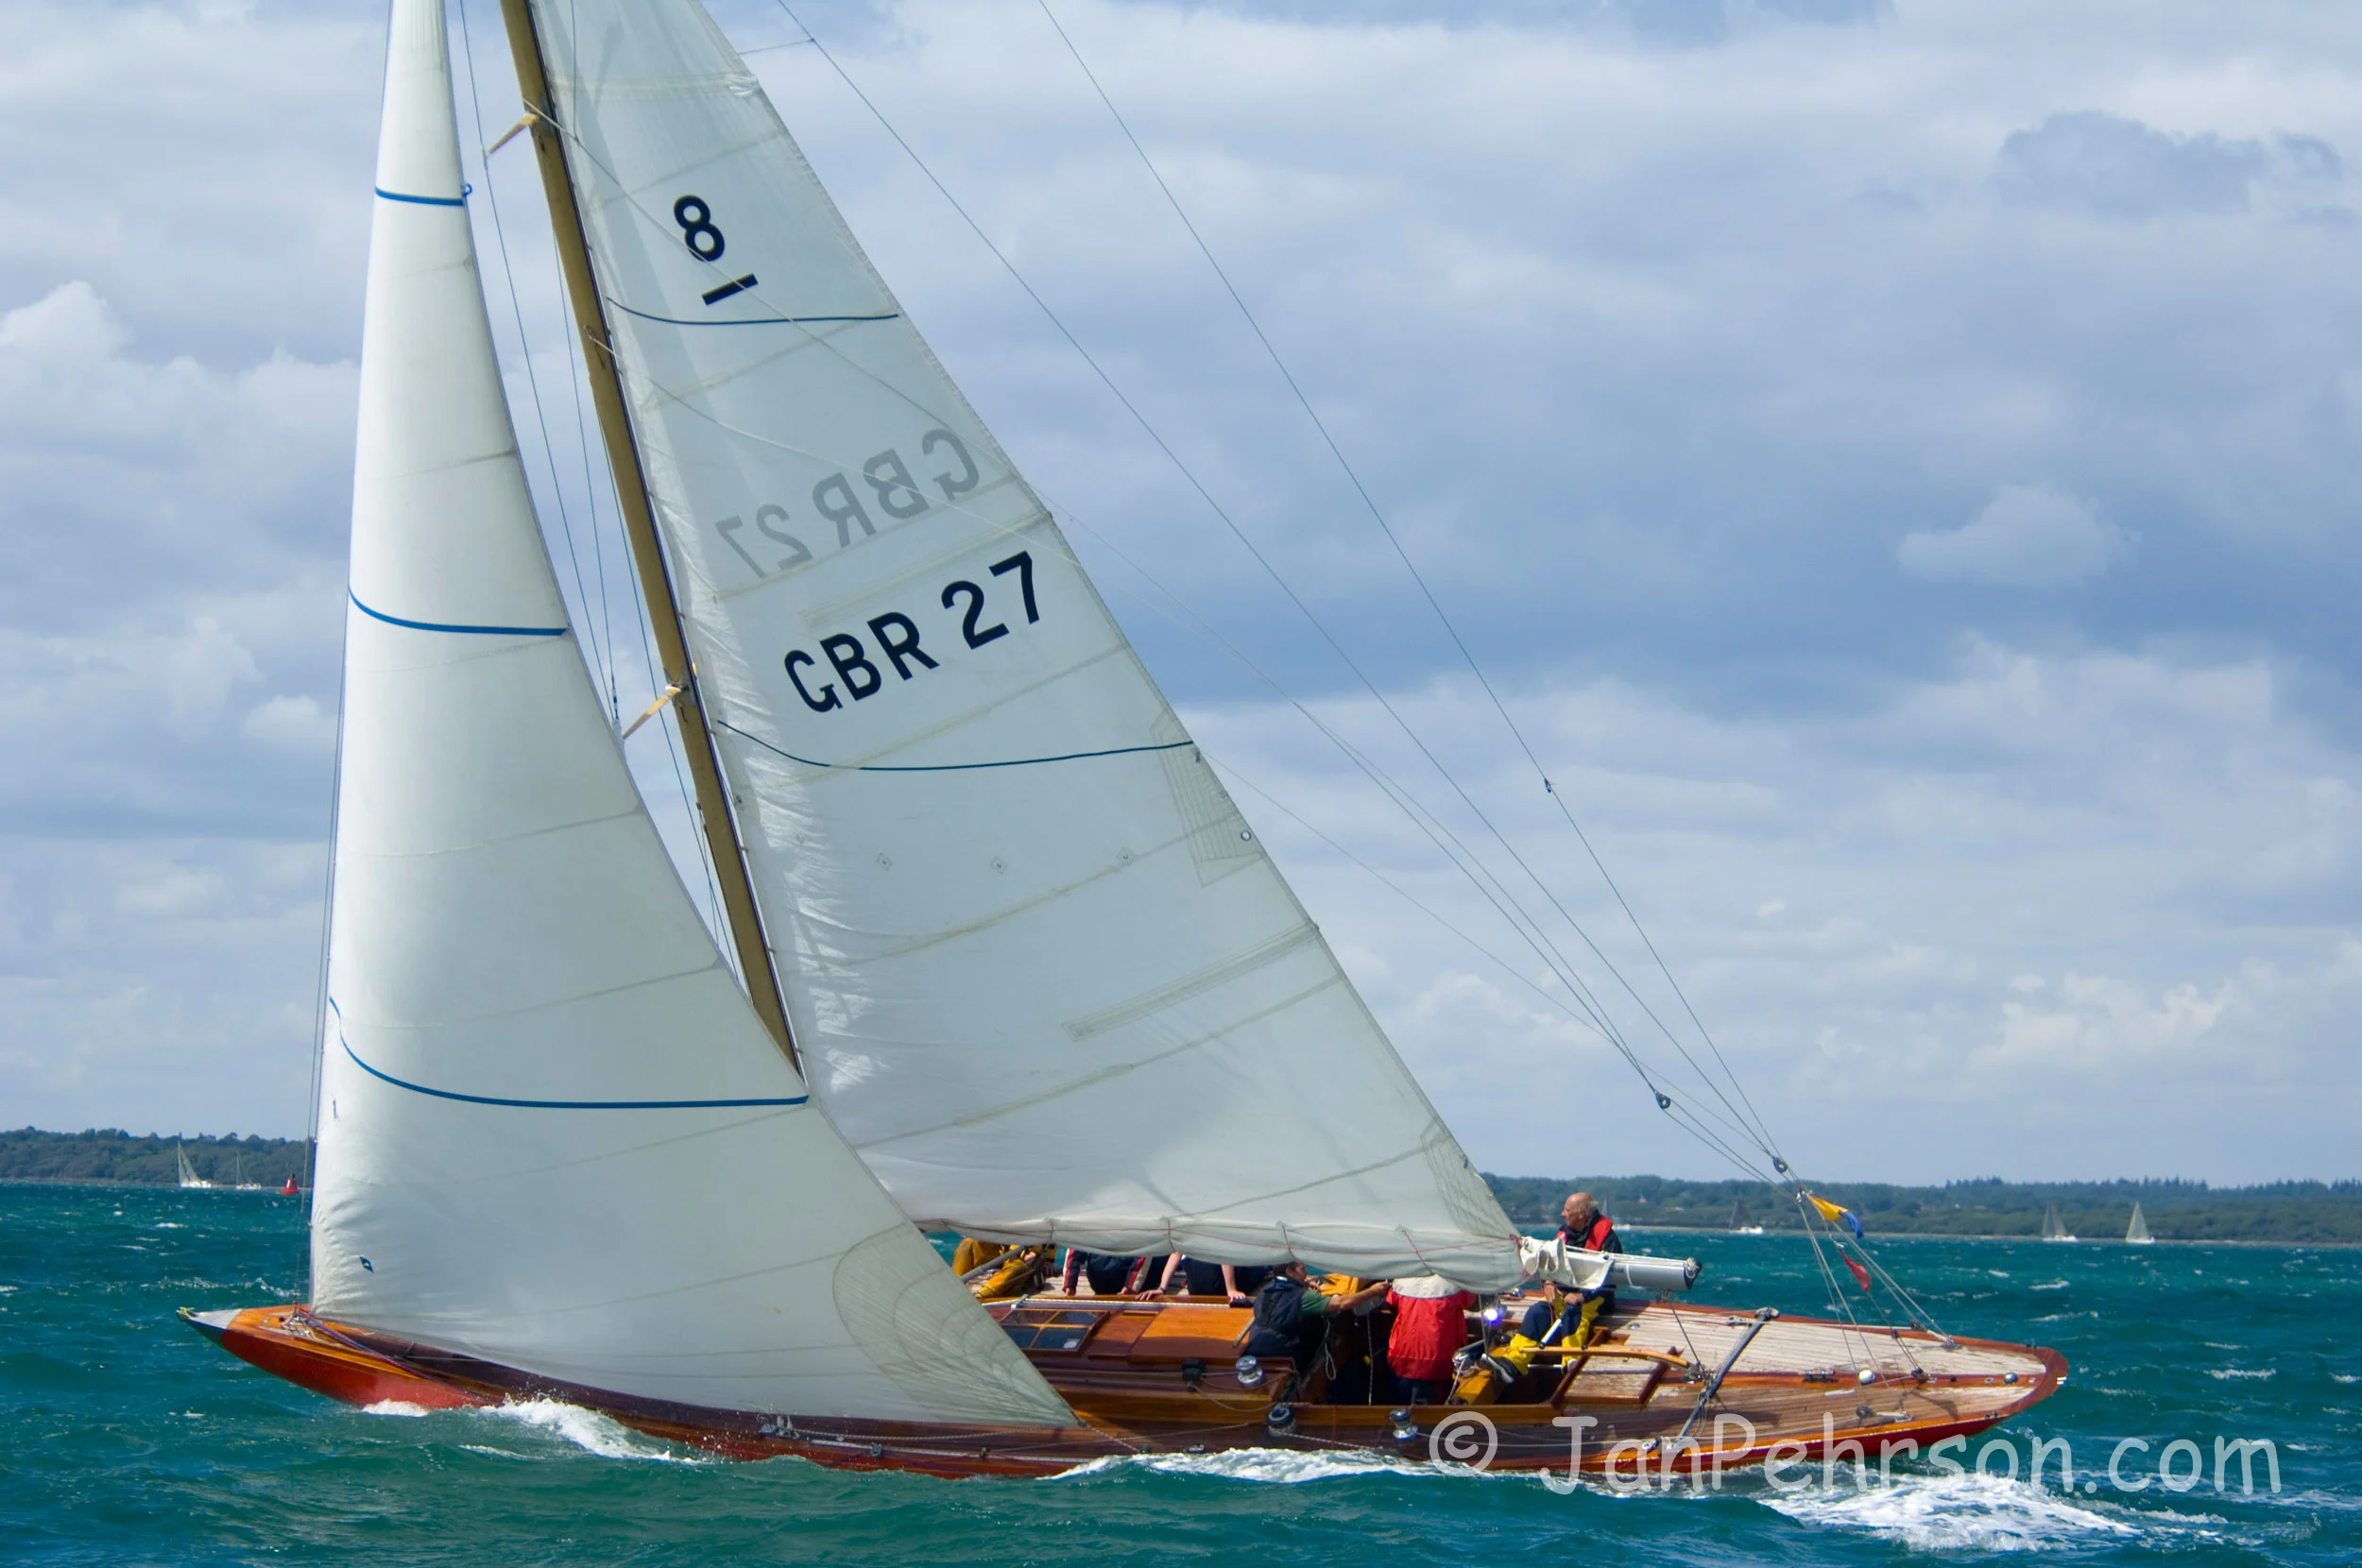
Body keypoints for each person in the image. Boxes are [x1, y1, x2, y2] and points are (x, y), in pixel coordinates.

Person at [1519, 1191, 1622, 1348]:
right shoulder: (1563, 1235)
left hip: (1594, 1297)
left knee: (1574, 1312)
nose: (1562, 1214)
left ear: (1581, 1213)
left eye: (1567, 1210)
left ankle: (1570, 1360)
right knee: (1537, 1311)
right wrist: (1548, 1281)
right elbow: (1550, 1263)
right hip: (1564, 1294)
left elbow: (1610, 1280)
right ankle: (1514, 1360)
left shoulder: (1609, 1240)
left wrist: (1582, 1296)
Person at [1244, 1260, 1387, 1374]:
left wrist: (1303, 1283)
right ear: (1289, 1272)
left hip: (1254, 1346)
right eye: (1302, 1269)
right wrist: (1372, 1291)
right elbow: (1341, 1303)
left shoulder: (1264, 1292)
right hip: (1282, 1351)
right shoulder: (1301, 1297)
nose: (1306, 1272)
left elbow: (1282, 1299)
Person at [1383, 1273, 1478, 1404]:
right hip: (1438, 1356)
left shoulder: (1401, 1279)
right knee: (1433, 1408)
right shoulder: (1455, 1282)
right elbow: (1471, 1302)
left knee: (1403, 1405)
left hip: (1403, 1353)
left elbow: (1391, 1303)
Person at [1159, 1254, 1268, 1306]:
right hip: (1220, 1284)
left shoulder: (1188, 1230)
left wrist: (1162, 1288)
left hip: (1198, 1288)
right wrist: (1231, 1289)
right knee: (1264, 1264)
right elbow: (1224, 1255)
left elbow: (1175, 1255)